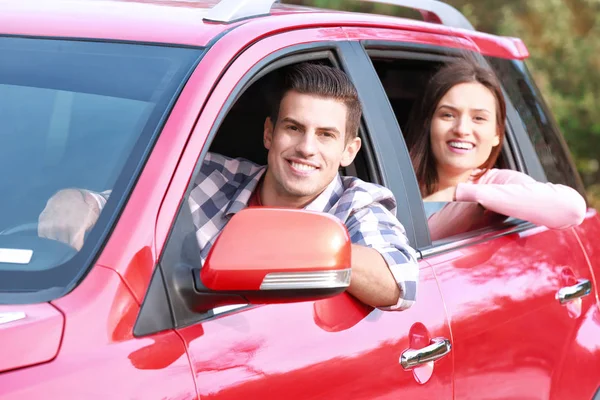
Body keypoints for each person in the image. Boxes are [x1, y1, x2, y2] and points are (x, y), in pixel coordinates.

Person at [38, 62, 419, 310]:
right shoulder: (211, 176)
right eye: (293, 128)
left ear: (348, 150)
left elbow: (399, 281)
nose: (306, 147)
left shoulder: (358, 204)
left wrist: (317, 247)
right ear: (269, 133)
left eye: (325, 135)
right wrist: (76, 201)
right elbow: (120, 209)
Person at [404, 57, 586, 240]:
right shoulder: (393, 178)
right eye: (448, 115)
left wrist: (462, 194)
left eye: (479, 118)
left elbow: (572, 208)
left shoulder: (494, 183)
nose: (461, 129)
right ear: (428, 124)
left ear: (497, 134)